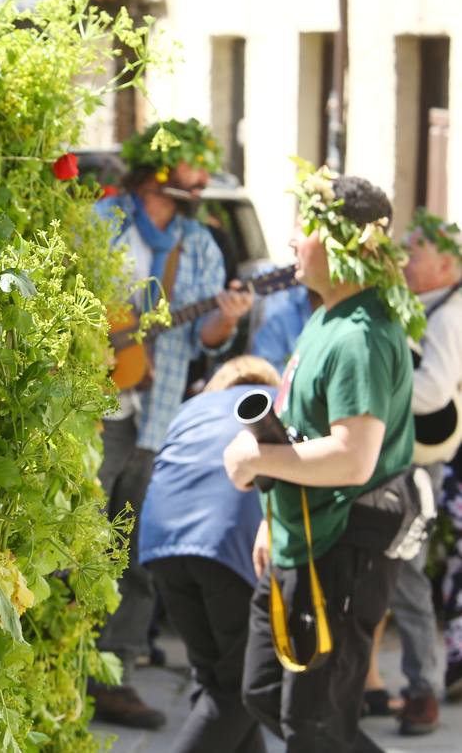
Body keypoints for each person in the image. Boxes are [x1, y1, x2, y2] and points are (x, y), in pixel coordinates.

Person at [224, 165, 422, 752]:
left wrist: (255, 459)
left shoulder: (360, 333)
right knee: (264, 693)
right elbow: (304, 426)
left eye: (305, 226)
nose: (290, 239)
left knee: (314, 727)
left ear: (343, 244)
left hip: (342, 548)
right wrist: (272, 514)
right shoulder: (328, 315)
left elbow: (352, 458)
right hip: (300, 537)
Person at [92, 118, 254, 729]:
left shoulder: (204, 244)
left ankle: (115, 675)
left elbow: (212, 337)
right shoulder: (101, 223)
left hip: (159, 420)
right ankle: (55, 661)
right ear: (160, 171)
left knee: (134, 551)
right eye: (194, 168)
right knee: (73, 539)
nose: (202, 180)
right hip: (96, 407)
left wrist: (226, 318)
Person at [141, 355, 280, 753]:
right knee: (241, 689)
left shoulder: (191, 409)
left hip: (161, 543)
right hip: (226, 547)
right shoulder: (271, 404)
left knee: (217, 681)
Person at [368, 207, 462, 733]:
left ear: (447, 265)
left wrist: (371, 398)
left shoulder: (450, 315)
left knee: (406, 574)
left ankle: (424, 688)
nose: (406, 259)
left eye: (417, 251)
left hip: (416, 467)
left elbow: (431, 392)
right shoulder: (427, 304)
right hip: (397, 459)